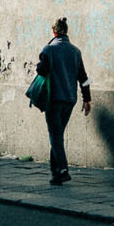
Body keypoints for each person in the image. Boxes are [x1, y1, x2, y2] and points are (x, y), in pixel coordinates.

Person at [37, 16, 91, 184]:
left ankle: (63, 169)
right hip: (70, 99)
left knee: (55, 135)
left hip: (54, 99)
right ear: (66, 31)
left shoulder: (49, 50)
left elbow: (42, 70)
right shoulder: (75, 51)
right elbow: (84, 77)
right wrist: (87, 99)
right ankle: (56, 175)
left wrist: (39, 65)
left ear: (53, 31)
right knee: (58, 134)